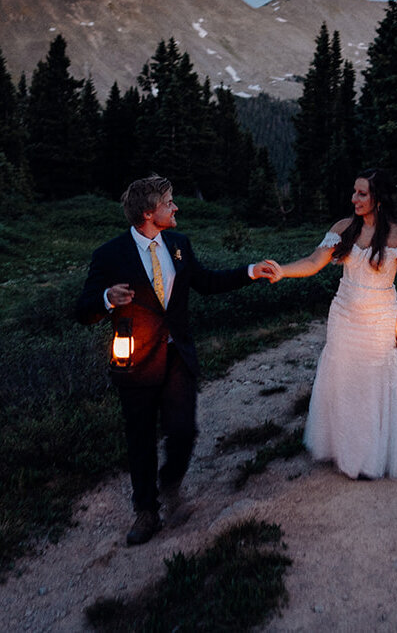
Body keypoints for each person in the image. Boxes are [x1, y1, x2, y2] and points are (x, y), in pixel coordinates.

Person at [76, 174, 275, 546]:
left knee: (183, 431)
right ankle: (146, 511)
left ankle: (170, 484)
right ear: (150, 212)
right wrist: (106, 298)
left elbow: (207, 282)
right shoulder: (109, 255)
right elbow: (83, 310)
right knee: (140, 439)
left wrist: (251, 272)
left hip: (178, 357)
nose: (176, 207)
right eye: (170, 202)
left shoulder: (179, 244)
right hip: (135, 364)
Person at [257, 168, 397, 481]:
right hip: (344, 314)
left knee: (372, 381)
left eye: (362, 193)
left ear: (379, 198)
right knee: (344, 379)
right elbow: (312, 262)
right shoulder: (344, 228)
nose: (354, 199)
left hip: (378, 318)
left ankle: (370, 457)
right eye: (354, 192)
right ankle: (346, 451)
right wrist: (282, 271)